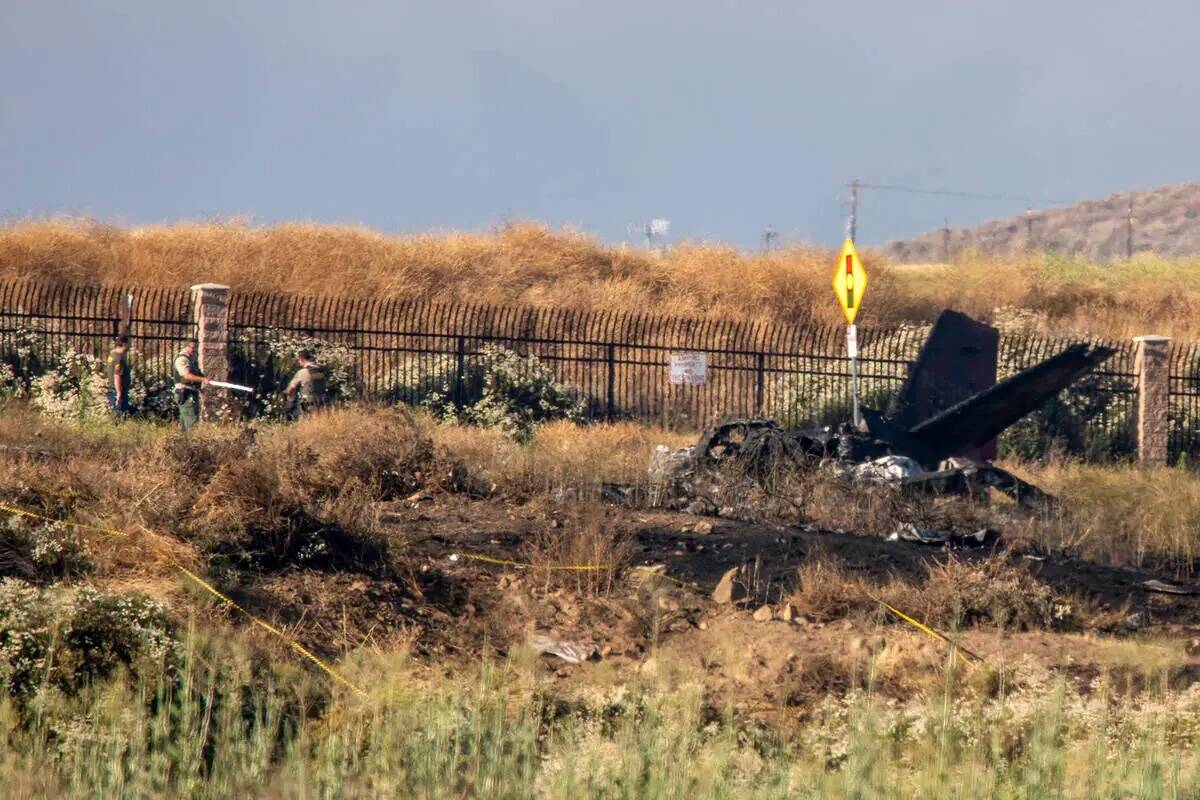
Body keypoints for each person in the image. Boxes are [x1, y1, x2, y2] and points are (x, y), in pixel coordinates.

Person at [172, 340, 210, 431]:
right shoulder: (183, 360)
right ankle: (192, 443)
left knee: (184, 423)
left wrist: (200, 390)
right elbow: (187, 376)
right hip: (186, 393)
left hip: (190, 392)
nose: (194, 350)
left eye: (195, 347)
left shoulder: (191, 359)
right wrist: (203, 379)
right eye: (192, 347)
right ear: (186, 347)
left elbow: (195, 375)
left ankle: (182, 442)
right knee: (191, 421)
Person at [284, 349, 330, 420]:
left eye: (299, 360)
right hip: (323, 402)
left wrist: (287, 397)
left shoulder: (303, 372)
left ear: (302, 359)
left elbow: (290, 389)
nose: (299, 362)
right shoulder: (322, 370)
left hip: (309, 404)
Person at [104, 335, 132, 418]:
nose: (129, 346)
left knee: (115, 412)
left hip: (111, 388)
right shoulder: (119, 358)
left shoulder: (112, 355)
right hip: (118, 390)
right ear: (124, 344)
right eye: (128, 344)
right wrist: (119, 392)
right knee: (119, 414)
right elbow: (117, 376)